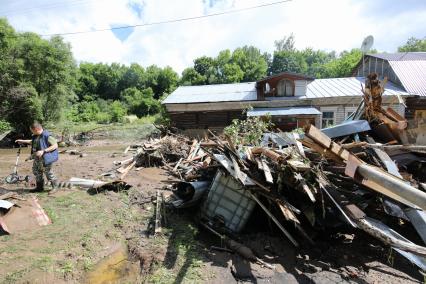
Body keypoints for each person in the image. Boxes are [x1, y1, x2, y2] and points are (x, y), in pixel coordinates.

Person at [15, 121, 59, 193]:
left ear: (36, 129)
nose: (31, 131)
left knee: (48, 173)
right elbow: (32, 142)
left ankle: (55, 188)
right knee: (36, 171)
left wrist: (43, 151)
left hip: (46, 158)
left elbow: (55, 145)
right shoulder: (36, 136)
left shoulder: (47, 135)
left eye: (31, 130)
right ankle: (39, 188)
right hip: (37, 158)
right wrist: (22, 141)